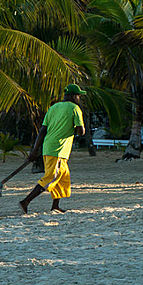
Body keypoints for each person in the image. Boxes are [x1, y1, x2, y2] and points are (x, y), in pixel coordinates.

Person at [20, 84, 86, 214]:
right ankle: (25, 201)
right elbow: (80, 132)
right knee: (51, 177)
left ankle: (55, 206)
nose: (79, 99)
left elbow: (42, 130)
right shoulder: (75, 108)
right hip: (58, 149)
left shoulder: (53, 108)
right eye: (79, 96)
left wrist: (35, 150)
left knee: (62, 179)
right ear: (73, 96)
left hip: (50, 147)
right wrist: (79, 127)